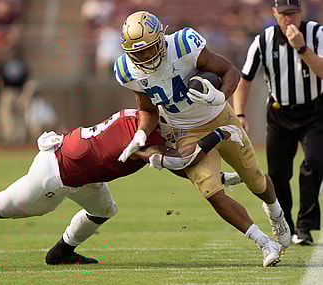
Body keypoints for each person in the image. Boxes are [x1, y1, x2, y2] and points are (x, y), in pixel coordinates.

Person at [0, 109, 243, 265]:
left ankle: (61, 252)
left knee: (104, 208)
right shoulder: (144, 137)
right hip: (59, 173)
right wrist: (219, 136)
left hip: (79, 168)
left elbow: (170, 162)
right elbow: (174, 161)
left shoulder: (137, 118)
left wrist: (220, 178)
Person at [115, 11, 291, 267]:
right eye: (138, 53)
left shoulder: (185, 45)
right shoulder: (126, 70)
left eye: (149, 49)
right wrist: (141, 132)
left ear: (161, 39)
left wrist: (221, 96)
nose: (144, 57)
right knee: (211, 191)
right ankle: (264, 242)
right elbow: (148, 109)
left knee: (255, 179)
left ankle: (275, 213)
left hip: (219, 117)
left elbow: (230, 71)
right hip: (184, 131)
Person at [233, 0, 323, 246]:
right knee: (278, 174)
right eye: (284, 14)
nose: (289, 19)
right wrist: (240, 115)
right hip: (279, 113)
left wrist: (302, 48)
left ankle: (305, 226)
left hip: (314, 110)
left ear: (301, 13)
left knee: (315, 161)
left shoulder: (316, 33)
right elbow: (245, 78)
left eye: (293, 13)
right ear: (274, 14)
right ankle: (288, 227)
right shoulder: (264, 40)